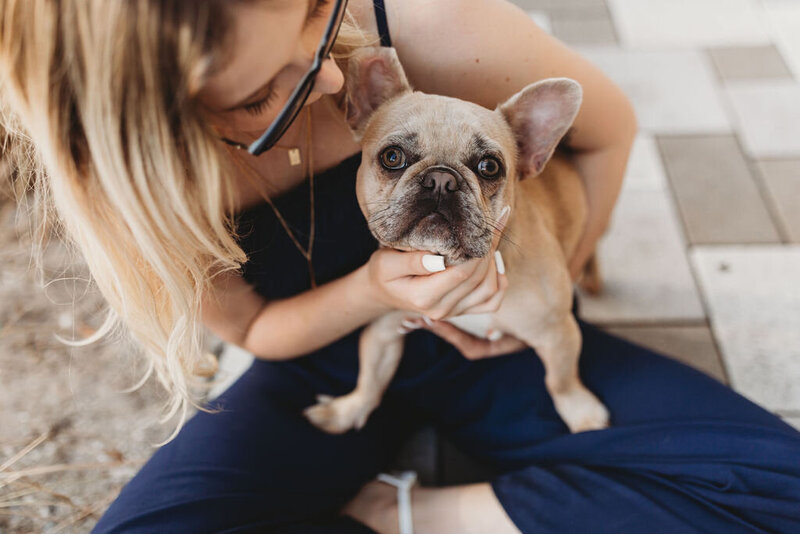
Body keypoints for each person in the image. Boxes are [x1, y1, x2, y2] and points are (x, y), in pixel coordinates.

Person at [1, 0, 798, 532]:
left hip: (506, 347)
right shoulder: (145, 180)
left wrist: (558, 268)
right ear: (157, 123)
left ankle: (408, 514)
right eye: (258, 98)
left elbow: (610, 132)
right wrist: (371, 292)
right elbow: (250, 328)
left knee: (778, 487)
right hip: (328, 369)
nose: (337, 78)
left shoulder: (428, 27)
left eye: (316, 18)